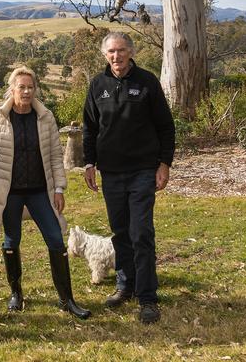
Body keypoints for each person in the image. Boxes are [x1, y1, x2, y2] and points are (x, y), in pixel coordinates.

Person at [0, 66, 91, 319]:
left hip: (40, 191)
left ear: (35, 89)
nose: (27, 91)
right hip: (10, 193)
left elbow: (54, 156)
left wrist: (59, 188)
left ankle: (67, 299)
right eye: (22, 87)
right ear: (12, 89)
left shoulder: (45, 117)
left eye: (31, 87)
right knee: (11, 241)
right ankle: (16, 294)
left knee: (55, 239)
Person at [82, 31, 175, 324]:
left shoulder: (147, 82)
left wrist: (164, 164)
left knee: (141, 233)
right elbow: (89, 128)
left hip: (142, 171)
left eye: (121, 50)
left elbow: (165, 127)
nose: (116, 56)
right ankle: (125, 286)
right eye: (111, 51)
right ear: (104, 55)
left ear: (131, 52)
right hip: (111, 173)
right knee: (120, 232)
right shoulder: (97, 85)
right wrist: (89, 163)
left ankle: (147, 297)